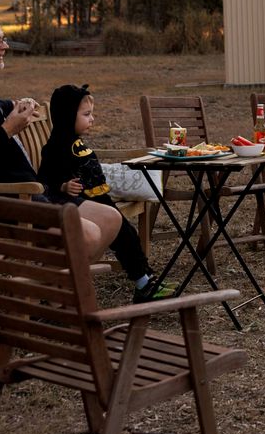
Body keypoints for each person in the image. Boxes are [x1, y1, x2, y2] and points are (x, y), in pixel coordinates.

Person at [0, 13, 120, 268]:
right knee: (89, 233)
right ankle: (56, 293)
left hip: (30, 192)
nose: (4, 46)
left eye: (4, 39)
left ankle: (55, 291)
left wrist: (16, 105)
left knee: (110, 218)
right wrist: (8, 129)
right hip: (2, 202)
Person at [40, 83, 173, 302]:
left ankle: (145, 278)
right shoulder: (56, 147)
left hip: (98, 199)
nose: (92, 119)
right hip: (78, 204)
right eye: (86, 114)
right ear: (66, 116)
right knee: (124, 234)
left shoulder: (76, 142)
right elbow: (45, 179)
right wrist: (63, 185)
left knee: (128, 234)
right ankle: (143, 284)